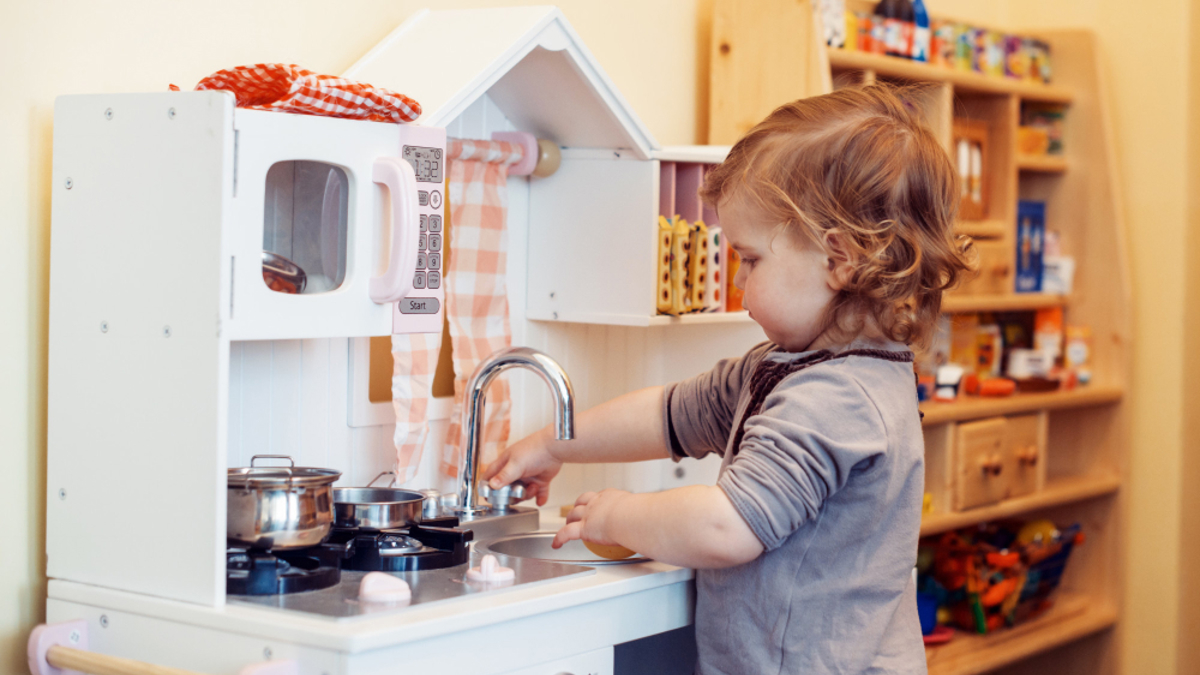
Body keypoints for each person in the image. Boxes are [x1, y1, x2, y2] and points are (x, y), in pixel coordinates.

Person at [483, 84, 975, 674]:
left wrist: (619, 515)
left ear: (839, 259)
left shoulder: (839, 398)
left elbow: (726, 526)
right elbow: (670, 415)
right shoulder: (785, 365)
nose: (738, 284)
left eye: (750, 259)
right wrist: (552, 443)